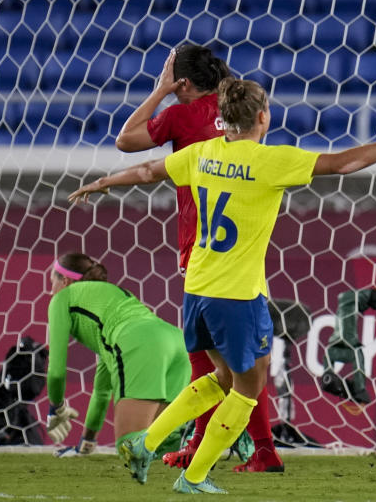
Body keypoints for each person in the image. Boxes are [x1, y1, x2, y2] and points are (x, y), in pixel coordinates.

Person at [69, 78, 376, 494]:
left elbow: (148, 170)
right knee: (248, 388)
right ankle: (193, 476)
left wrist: (102, 183)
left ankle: (145, 443)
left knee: (222, 377)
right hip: (236, 294)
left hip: (197, 286)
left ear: (222, 118)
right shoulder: (270, 161)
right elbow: (342, 164)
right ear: (263, 117)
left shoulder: (203, 152)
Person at [116, 44, 284, 473]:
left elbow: (126, 140)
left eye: (173, 81)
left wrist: (158, 92)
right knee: (249, 361)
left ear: (182, 83)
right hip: (247, 246)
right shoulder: (236, 105)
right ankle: (261, 448)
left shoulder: (180, 114)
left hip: (202, 251)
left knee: (206, 362)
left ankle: (201, 449)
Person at [44, 253, 190, 461]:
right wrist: (86, 444)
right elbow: (102, 390)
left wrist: (56, 407)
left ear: (65, 281)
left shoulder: (62, 298)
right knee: (164, 449)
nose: (52, 290)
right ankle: (197, 429)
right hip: (176, 342)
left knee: (130, 449)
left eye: (52, 282)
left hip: (140, 343)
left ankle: (201, 428)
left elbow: (57, 371)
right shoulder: (114, 300)